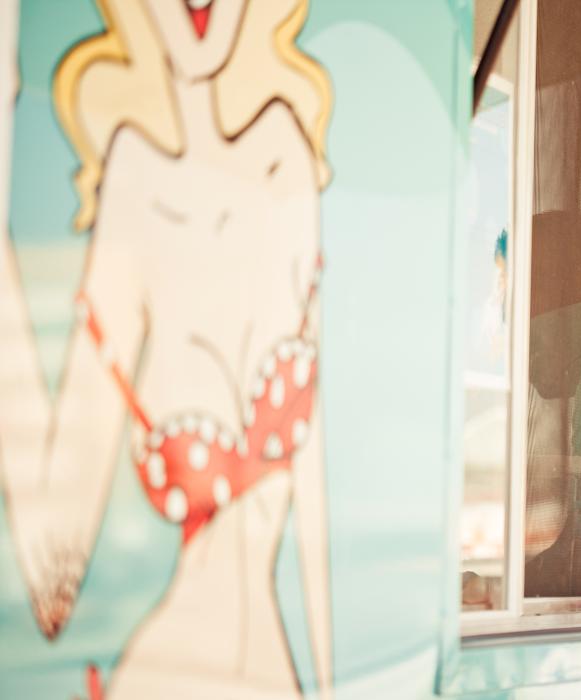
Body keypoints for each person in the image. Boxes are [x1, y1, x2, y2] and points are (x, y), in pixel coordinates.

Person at [0, 1, 333, 697]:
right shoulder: (134, 183)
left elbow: (315, 500)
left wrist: (328, 681)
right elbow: (55, 568)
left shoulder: (286, 157)